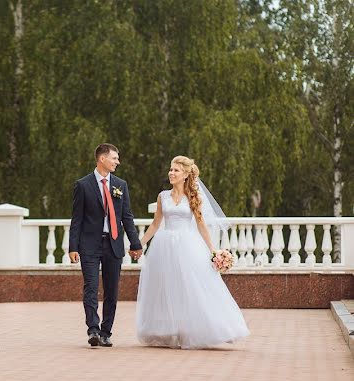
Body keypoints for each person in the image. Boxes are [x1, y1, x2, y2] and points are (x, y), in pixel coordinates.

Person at [136, 156, 250, 349]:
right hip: (164, 246)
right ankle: (170, 330)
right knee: (167, 288)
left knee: (195, 286)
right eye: (171, 170)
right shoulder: (163, 196)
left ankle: (213, 329)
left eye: (176, 171)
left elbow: (201, 226)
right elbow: (155, 224)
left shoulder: (193, 197)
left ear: (186, 175)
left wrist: (214, 251)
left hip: (188, 245)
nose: (171, 173)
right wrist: (139, 245)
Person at [69, 143, 143, 347]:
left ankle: (106, 332)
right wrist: (73, 247)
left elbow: (126, 216)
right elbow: (77, 219)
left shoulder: (121, 184)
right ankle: (93, 329)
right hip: (89, 245)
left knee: (112, 290)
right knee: (91, 287)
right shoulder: (83, 185)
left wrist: (135, 244)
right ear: (102, 159)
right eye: (114, 158)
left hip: (113, 244)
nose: (117, 162)